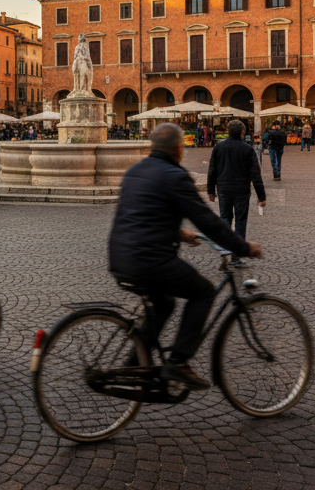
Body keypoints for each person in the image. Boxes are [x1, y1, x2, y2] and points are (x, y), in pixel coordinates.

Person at [109, 123, 261, 390]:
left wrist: (180, 234)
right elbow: (207, 221)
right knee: (203, 292)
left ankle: (134, 364)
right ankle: (178, 362)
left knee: (164, 304)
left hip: (120, 256)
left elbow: (139, 218)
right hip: (150, 260)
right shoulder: (175, 175)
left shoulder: (135, 170)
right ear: (179, 149)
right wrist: (242, 247)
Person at [205, 120, 266, 241]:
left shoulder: (218, 147)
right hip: (241, 189)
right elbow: (255, 175)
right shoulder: (248, 149)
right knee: (240, 220)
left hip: (224, 188)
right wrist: (261, 196)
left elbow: (212, 170)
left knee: (225, 218)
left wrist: (210, 191)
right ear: (242, 132)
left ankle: (227, 247)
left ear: (228, 131)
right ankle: (237, 251)